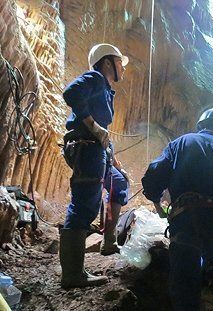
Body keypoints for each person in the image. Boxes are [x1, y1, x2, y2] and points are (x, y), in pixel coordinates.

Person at [142, 108, 213, 311]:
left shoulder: (180, 143)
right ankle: (212, 267)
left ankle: (191, 297)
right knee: (207, 240)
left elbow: (154, 174)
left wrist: (157, 202)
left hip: (187, 217)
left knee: (184, 278)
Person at [60, 43, 129, 288]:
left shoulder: (106, 89)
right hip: (86, 147)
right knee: (84, 206)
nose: (122, 68)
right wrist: (92, 124)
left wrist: (111, 155)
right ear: (107, 62)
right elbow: (71, 93)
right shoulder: (96, 78)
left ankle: (109, 241)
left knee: (119, 182)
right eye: (120, 62)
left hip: (97, 149)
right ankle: (72, 275)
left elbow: (102, 131)